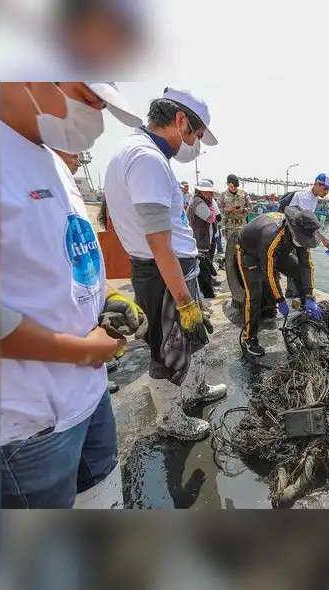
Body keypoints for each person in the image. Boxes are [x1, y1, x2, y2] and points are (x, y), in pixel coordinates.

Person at [0, 82, 146, 510]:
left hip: (89, 394)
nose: (96, 116)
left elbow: (64, 257)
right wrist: (81, 352)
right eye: (88, 98)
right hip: (28, 425)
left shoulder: (52, 160)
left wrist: (106, 300)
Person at [102, 87, 227, 441]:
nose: (194, 144)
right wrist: (184, 301)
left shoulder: (140, 154)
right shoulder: (147, 159)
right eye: (195, 135)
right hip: (164, 274)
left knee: (194, 336)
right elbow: (159, 242)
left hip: (176, 270)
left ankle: (196, 388)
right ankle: (170, 418)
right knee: (166, 347)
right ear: (180, 120)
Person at [235, 206, 324, 357]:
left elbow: (306, 266)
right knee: (254, 295)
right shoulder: (271, 236)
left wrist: (309, 295)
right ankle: (248, 338)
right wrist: (280, 299)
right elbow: (269, 273)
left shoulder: (302, 234)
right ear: (293, 231)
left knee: (298, 271)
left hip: (278, 250)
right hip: (250, 253)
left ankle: (306, 311)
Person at [283, 173, 329, 251]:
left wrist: (323, 239)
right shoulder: (304, 197)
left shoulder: (314, 197)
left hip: (299, 236)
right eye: (325, 188)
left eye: (328, 189)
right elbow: (305, 223)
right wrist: (323, 239)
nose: (327, 192)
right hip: (291, 237)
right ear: (317, 185)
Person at [187, 178, 219, 307]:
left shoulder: (199, 201)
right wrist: (211, 208)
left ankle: (206, 293)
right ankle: (207, 294)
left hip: (202, 239)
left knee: (204, 267)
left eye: (210, 193)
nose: (210, 195)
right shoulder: (199, 203)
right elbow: (210, 218)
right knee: (203, 269)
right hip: (200, 240)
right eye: (207, 192)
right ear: (200, 192)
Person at [221, 174, 251, 281]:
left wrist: (243, 210)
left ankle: (242, 269)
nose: (233, 187)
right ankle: (232, 272)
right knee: (231, 249)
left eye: (234, 186)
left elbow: (251, 208)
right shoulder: (222, 195)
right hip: (229, 226)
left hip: (242, 225)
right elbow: (219, 209)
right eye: (231, 185)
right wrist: (227, 210)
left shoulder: (244, 194)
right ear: (228, 184)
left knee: (243, 248)